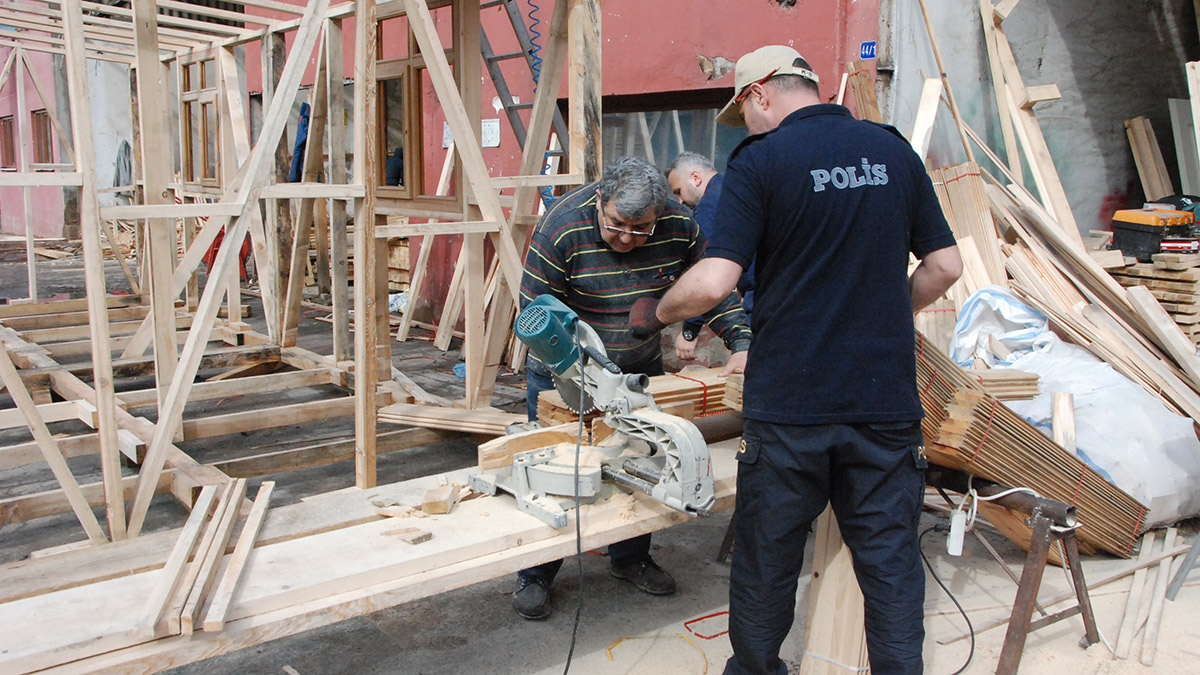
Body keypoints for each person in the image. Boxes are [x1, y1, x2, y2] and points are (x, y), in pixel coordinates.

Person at [629, 46, 962, 674]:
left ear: (759, 93)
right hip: (882, 400)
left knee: (768, 559)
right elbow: (945, 267)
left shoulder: (760, 161)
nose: (747, 126)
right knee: (890, 563)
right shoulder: (892, 149)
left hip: (791, 406)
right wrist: (888, 314)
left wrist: (659, 313)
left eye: (744, 112)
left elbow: (714, 281)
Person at [514, 155, 753, 620]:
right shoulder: (561, 226)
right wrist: (581, 372)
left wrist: (740, 342)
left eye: (641, 229)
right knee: (558, 470)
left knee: (641, 459)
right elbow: (534, 311)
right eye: (617, 225)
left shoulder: (680, 225)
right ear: (600, 201)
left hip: (638, 368)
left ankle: (630, 557)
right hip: (566, 375)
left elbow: (714, 286)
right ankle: (536, 573)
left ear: (660, 212)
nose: (627, 238)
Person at [666, 151, 755, 360]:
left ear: (695, 178)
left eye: (679, 191)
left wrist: (690, 330)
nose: (680, 201)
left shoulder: (709, 207)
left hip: (759, 296)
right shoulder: (738, 188)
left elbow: (707, 273)